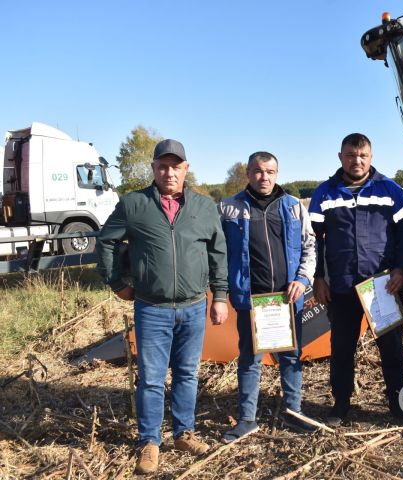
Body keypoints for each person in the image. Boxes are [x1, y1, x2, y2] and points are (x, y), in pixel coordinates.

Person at [97, 139, 229, 474]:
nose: (169, 172)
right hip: (151, 308)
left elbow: (218, 253)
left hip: (194, 306)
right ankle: (150, 442)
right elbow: (107, 241)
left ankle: (184, 433)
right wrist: (117, 283)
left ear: (186, 169)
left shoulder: (204, 206)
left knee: (187, 373)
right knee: (152, 379)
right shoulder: (134, 204)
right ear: (154, 169)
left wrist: (221, 297)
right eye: (162, 166)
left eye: (176, 166)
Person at [309, 133, 403, 426]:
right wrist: (318, 278)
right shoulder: (324, 194)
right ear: (340, 157)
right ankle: (340, 403)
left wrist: (401, 269)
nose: (357, 161)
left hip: (383, 284)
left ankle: (398, 403)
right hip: (341, 285)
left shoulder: (390, 189)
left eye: (363, 155)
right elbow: (313, 241)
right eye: (351, 155)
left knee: (391, 347)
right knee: (342, 347)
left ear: (371, 157)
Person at [218, 152, 317, 442]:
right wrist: (225, 292)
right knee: (250, 358)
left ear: (277, 173)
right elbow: (219, 254)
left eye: (270, 172)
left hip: (287, 300)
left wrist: (302, 279)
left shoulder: (293, 207)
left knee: (290, 356)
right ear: (248, 173)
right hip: (251, 300)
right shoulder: (229, 209)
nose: (265, 177)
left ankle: (293, 412)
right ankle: (247, 418)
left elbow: (309, 246)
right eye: (259, 171)